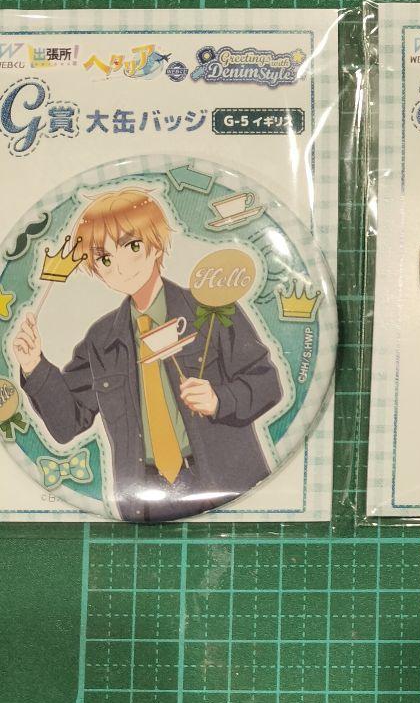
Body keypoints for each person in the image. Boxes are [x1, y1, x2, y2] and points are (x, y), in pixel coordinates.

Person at [12, 188, 283, 522]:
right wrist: (34, 366)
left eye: (132, 246)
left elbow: (267, 384)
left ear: (156, 244)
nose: (120, 267)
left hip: (228, 485)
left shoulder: (210, 309)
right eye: (104, 259)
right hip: (145, 499)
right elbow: (68, 423)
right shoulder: (101, 340)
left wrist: (219, 399)